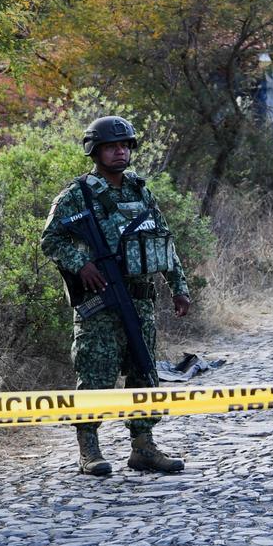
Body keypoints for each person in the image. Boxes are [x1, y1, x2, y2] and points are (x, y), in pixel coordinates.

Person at [41, 115, 190, 476]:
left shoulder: (140, 191)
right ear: (96, 151)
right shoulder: (78, 194)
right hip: (101, 302)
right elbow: (51, 239)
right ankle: (89, 450)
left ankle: (143, 447)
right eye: (112, 146)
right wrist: (81, 264)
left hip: (139, 301)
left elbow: (162, 241)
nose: (120, 151)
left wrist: (179, 286)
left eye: (125, 145)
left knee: (143, 372)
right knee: (95, 375)